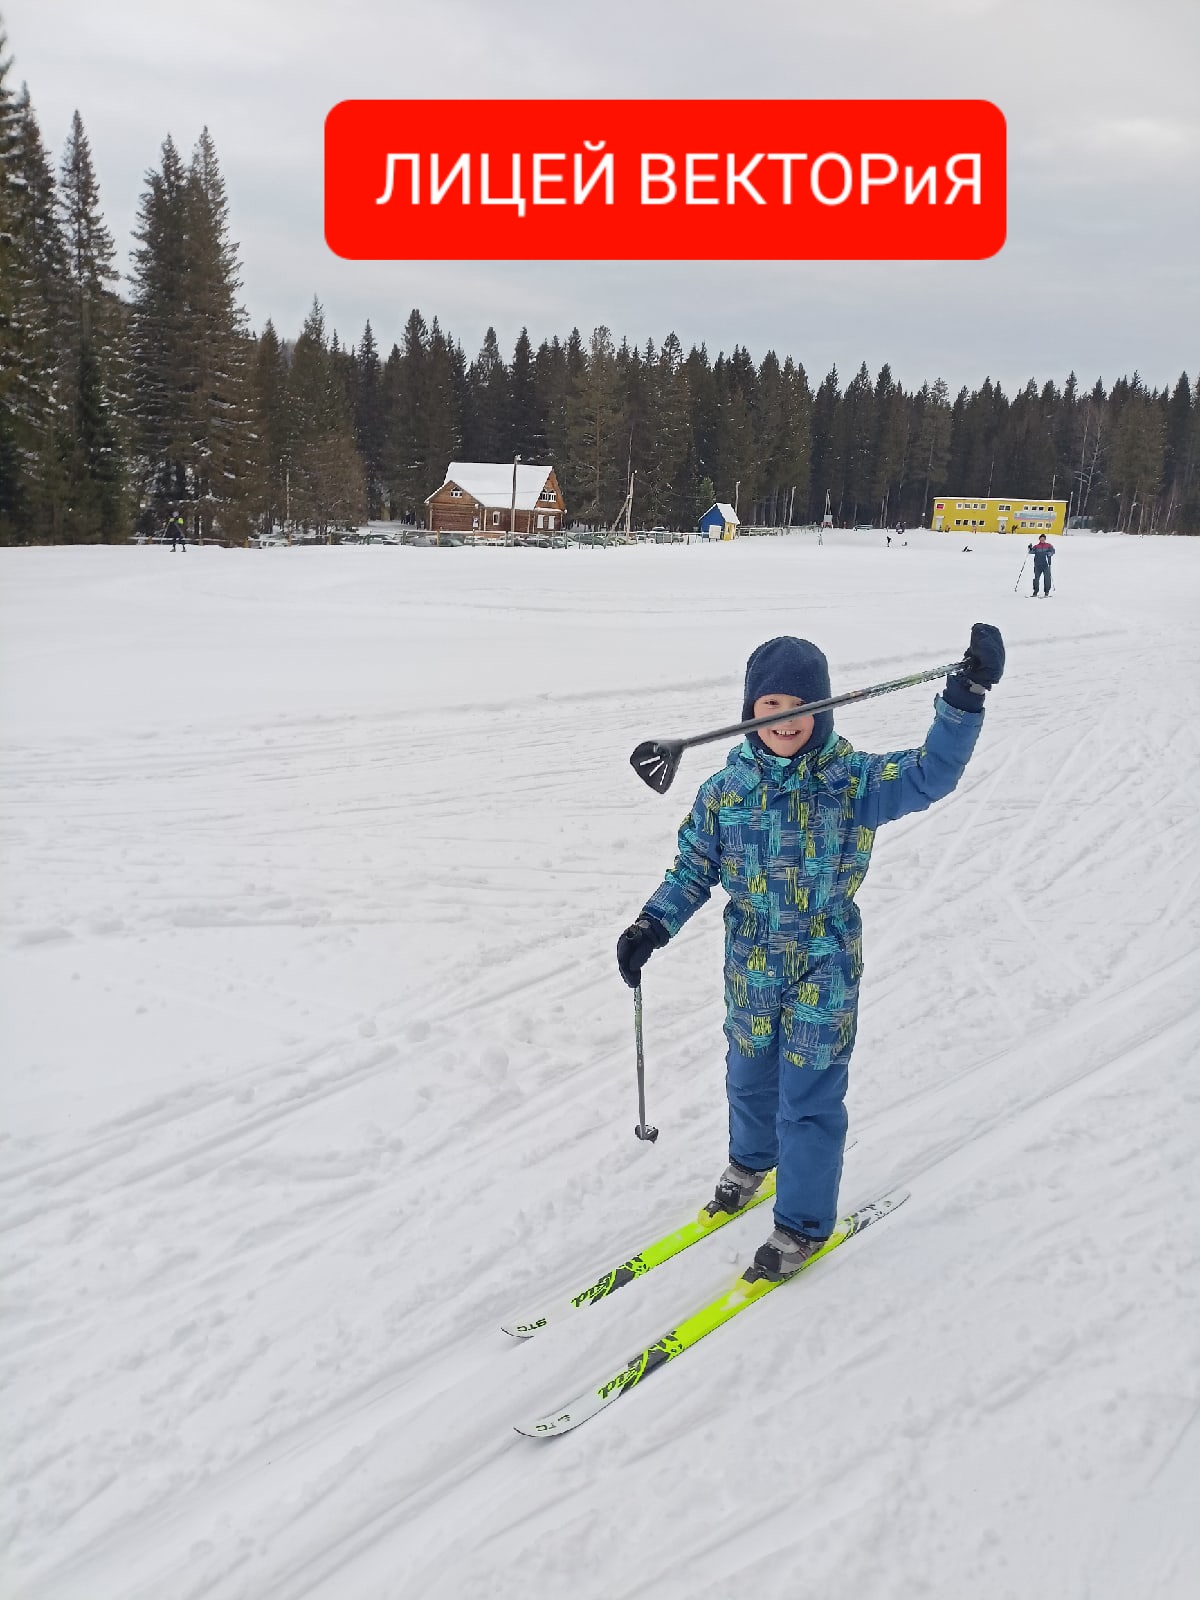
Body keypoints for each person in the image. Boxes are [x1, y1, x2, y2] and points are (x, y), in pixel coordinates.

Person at [616, 625, 1005, 1280]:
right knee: (748, 1074)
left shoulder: (851, 781)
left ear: (822, 710)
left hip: (825, 962)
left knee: (809, 1094)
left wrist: (964, 699)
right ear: (750, 711)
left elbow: (930, 774)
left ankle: (800, 1222)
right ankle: (752, 1161)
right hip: (751, 962)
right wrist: (651, 925)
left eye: (800, 705)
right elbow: (692, 870)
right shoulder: (725, 791)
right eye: (770, 705)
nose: (785, 718)